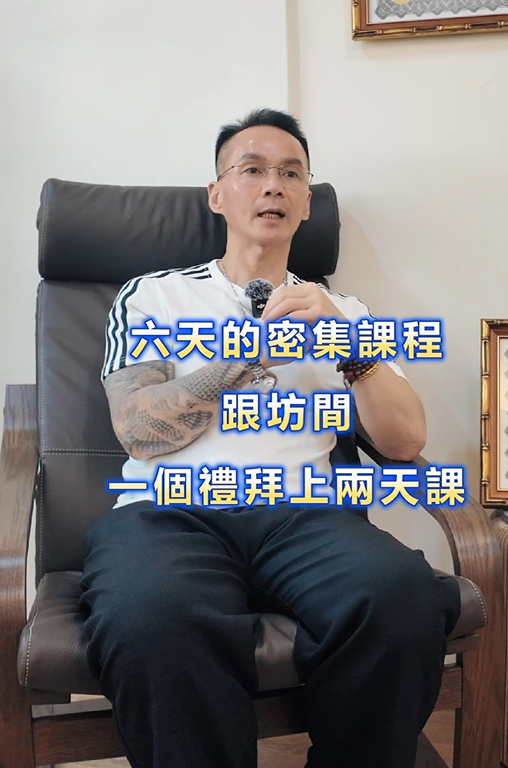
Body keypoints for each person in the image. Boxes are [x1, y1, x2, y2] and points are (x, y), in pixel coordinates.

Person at [80, 108, 461, 768]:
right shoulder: (154, 298)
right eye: (251, 169)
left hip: (307, 518)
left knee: (401, 596)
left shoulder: (345, 311)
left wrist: (349, 345)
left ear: (306, 202)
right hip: (169, 514)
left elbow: (404, 443)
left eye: (291, 174)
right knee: (151, 617)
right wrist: (242, 357)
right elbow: (139, 431)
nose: (273, 185)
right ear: (216, 194)